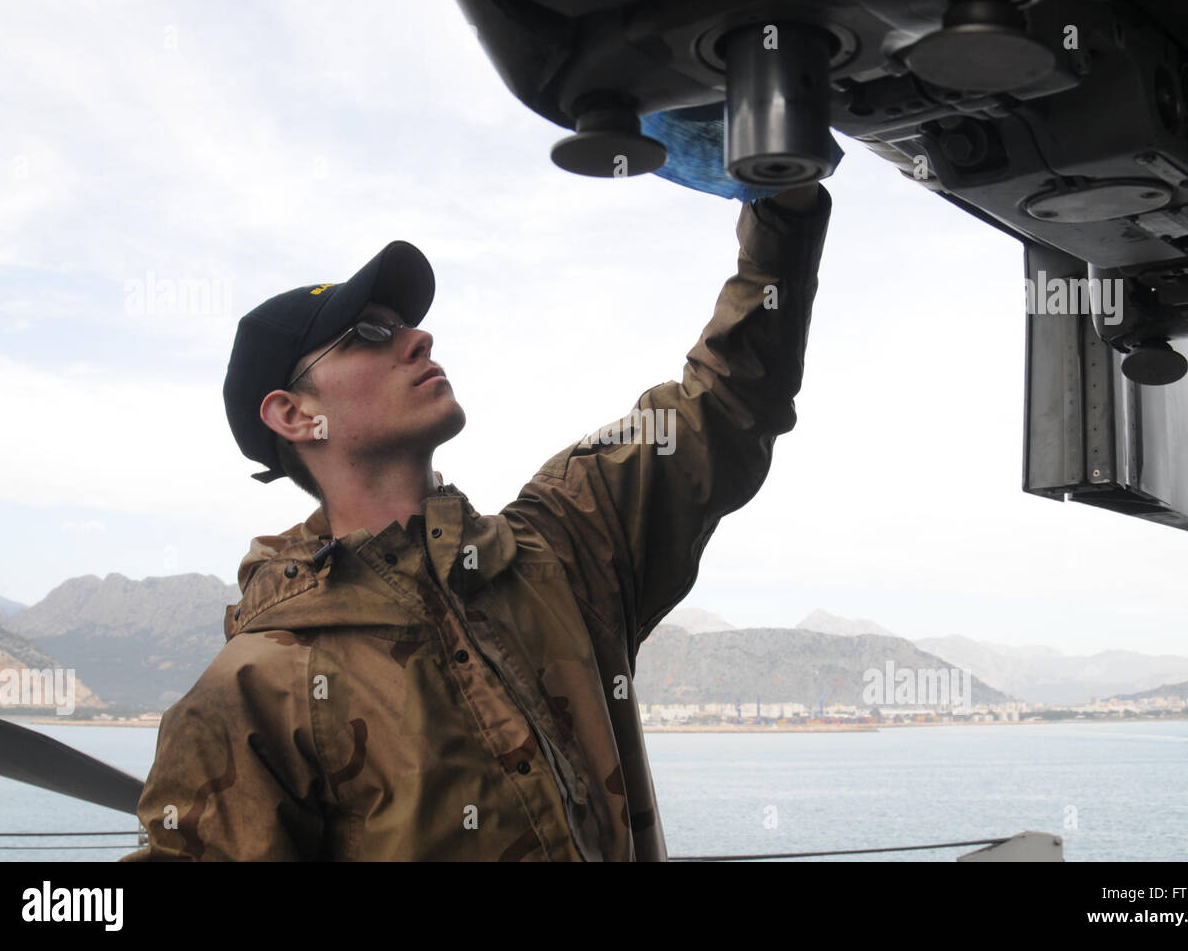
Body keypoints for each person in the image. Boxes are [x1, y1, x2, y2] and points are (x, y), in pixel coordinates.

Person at [120, 181, 832, 861]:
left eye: (408, 323)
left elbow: (724, 401)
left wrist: (782, 204)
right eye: (370, 332)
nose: (418, 338)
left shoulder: (563, 543)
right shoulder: (254, 691)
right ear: (295, 414)